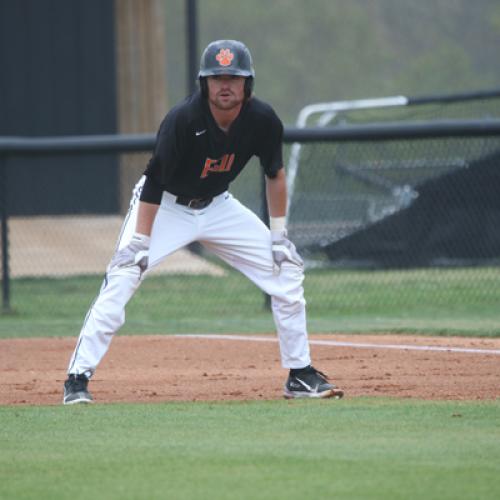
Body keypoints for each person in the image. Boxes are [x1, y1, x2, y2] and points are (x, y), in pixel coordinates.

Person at [63, 40, 344, 404]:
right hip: (164, 206)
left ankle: (300, 375)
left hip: (218, 208)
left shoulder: (262, 120)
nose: (224, 84)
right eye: (216, 77)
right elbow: (154, 182)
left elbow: (274, 174)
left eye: (233, 77)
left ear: (248, 83)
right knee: (122, 275)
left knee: (286, 267)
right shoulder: (183, 120)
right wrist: (140, 243)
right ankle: (77, 378)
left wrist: (279, 236)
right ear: (204, 83)